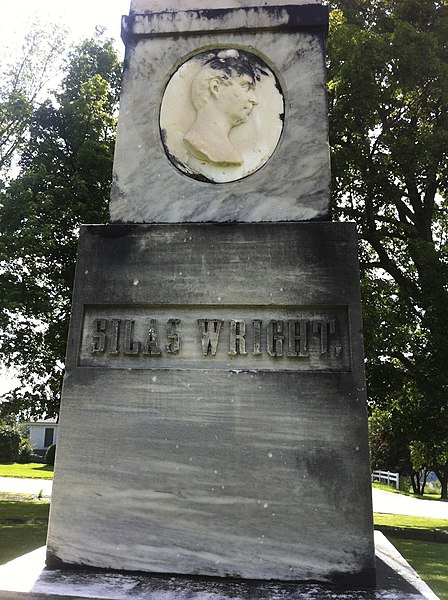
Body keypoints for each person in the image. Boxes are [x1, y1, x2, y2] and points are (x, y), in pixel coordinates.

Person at [183, 52, 258, 166]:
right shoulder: (198, 142)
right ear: (216, 87)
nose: (254, 99)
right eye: (246, 87)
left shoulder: (228, 152)